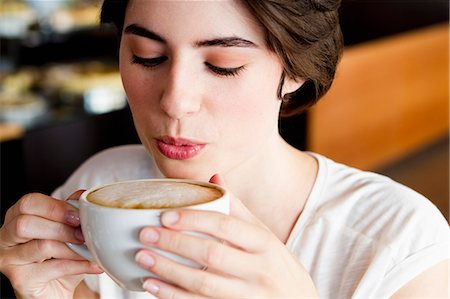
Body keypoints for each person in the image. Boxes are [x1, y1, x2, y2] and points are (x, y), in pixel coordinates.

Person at [1, 0, 448, 298]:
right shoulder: (97, 189)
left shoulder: (399, 245)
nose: (176, 101)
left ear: (296, 70)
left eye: (222, 66)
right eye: (146, 56)